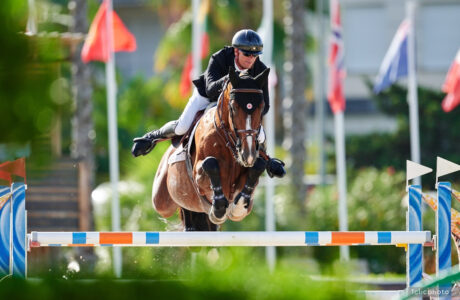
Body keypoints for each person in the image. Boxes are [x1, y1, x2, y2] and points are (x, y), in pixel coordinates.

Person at [132, 29, 285, 178]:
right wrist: (229, 79)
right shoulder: (219, 58)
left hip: (236, 109)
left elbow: (265, 105)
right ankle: (152, 137)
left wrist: (250, 117)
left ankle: (268, 162)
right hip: (206, 97)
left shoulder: (260, 69)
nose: (251, 59)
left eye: (255, 55)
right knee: (182, 127)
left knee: (260, 136)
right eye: (247, 54)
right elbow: (211, 90)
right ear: (236, 51)